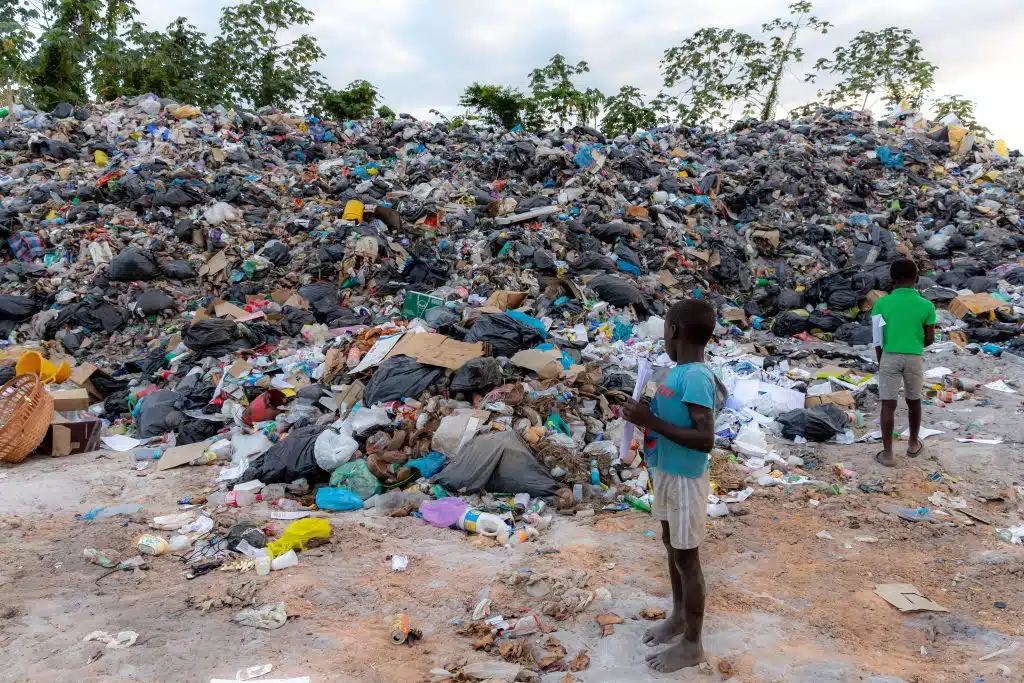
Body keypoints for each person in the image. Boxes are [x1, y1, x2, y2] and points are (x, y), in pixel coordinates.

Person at [623, 298, 723, 673]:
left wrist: (651, 419)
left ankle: (693, 644)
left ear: (675, 331)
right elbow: (667, 417)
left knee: (687, 558)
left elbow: (705, 438)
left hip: (684, 479)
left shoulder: (697, 375)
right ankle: (679, 616)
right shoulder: (675, 373)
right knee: (671, 546)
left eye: (665, 327)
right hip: (666, 472)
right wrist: (640, 414)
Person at [871, 258, 935, 467]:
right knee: (914, 401)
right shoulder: (926, 305)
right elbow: (930, 338)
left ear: (892, 279)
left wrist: (882, 361)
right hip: (914, 357)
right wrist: (914, 345)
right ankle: (913, 444)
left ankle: (888, 453)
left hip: (889, 355)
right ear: (917, 278)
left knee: (888, 404)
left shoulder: (881, 303)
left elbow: (877, 337)